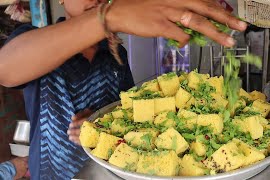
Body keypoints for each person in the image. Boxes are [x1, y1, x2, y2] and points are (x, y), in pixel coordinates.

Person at [0, 0, 247, 179]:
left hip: (111, 170)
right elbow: (6, 69)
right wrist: (109, 16)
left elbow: (129, 113)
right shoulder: (34, 38)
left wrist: (99, 123)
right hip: (54, 173)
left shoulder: (116, 54)